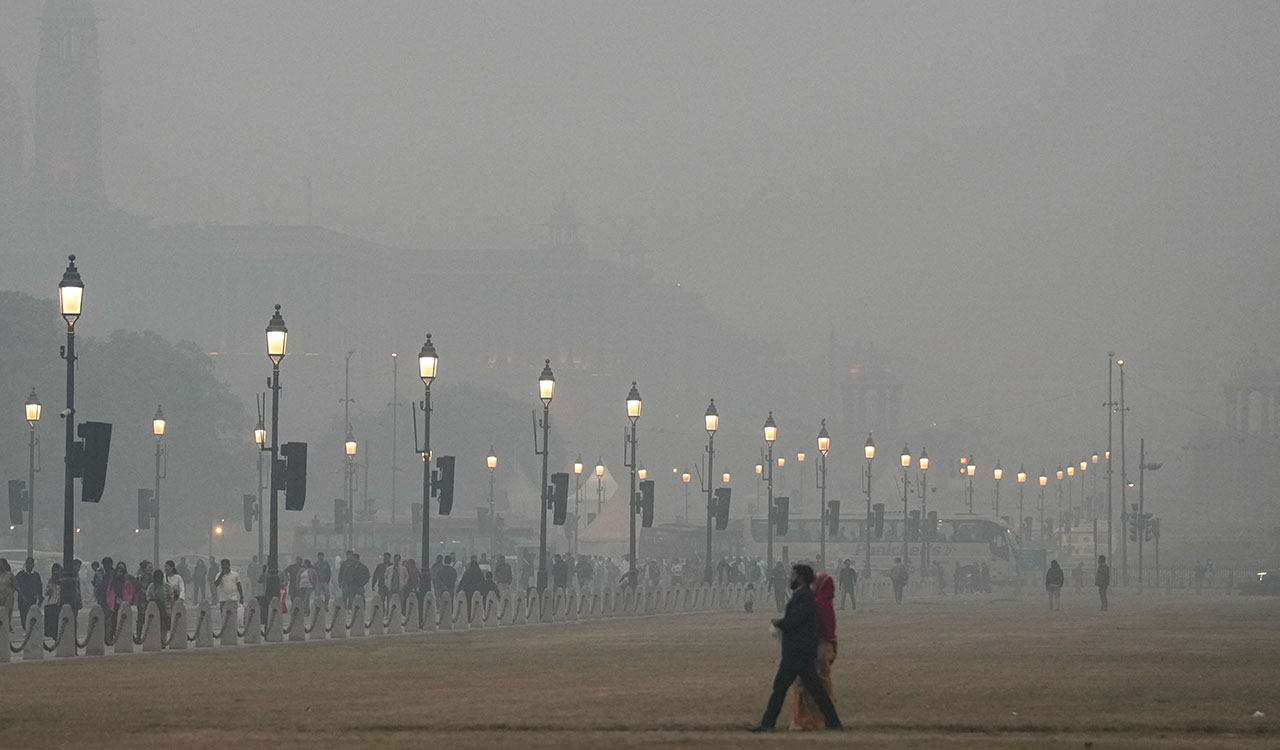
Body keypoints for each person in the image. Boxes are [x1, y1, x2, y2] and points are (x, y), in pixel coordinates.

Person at [749, 564, 842, 732]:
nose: (790, 578)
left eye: (793, 575)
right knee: (813, 689)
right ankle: (833, 723)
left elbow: (795, 620)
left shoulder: (804, 597)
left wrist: (779, 623)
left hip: (798, 653)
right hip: (801, 652)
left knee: (781, 688)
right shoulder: (805, 596)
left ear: (800, 578)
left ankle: (767, 724)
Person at [791, 573, 838, 730]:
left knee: (806, 686)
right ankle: (826, 719)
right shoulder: (827, 604)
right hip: (827, 648)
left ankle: (807, 721)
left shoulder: (817, 604)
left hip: (815, 649)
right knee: (823, 683)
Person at [15, 557, 43, 626]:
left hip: (32, 600)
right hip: (22, 600)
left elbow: (39, 588)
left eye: (30, 564)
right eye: (27, 563)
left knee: (31, 617)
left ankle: (29, 630)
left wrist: (40, 599)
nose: (28, 565)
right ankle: (25, 628)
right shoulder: (20, 575)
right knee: (23, 618)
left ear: (33, 565)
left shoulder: (36, 576)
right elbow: (15, 586)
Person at [147, 569, 170, 642]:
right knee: (156, 624)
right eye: (157, 577)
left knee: (165, 625)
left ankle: (163, 640)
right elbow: (148, 596)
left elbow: (171, 596)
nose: (158, 579)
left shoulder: (167, 586)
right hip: (155, 608)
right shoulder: (151, 587)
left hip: (165, 608)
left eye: (160, 577)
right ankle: (157, 640)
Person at [43, 563, 62, 638]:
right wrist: (49, 589)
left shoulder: (63, 580)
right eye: (54, 570)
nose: (55, 572)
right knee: (52, 622)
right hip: (52, 603)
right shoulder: (50, 580)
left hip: (60, 603)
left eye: (57, 570)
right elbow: (46, 593)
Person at [0, 558, 16, 630]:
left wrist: (10, 594)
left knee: (6, 613)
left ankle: (7, 626)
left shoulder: (10, 575)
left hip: (8, 597)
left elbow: (14, 586)